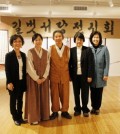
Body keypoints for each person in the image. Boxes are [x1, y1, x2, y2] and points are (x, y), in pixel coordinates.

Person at [24, 33, 50, 124]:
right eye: (36, 40)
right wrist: (36, 78)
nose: (38, 41)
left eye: (39, 39)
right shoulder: (30, 51)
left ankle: (44, 115)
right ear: (33, 41)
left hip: (44, 79)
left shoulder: (46, 52)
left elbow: (48, 65)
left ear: (42, 41)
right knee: (33, 98)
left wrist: (44, 77)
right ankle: (34, 118)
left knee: (44, 97)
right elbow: (29, 66)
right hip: (33, 79)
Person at [69, 31, 94, 117]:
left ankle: (85, 109)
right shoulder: (71, 50)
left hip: (85, 76)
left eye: (80, 39)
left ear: (83, 40)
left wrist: (90, 75)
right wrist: (70, 76)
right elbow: (69, 64)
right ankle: (77, 109)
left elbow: (91, 64)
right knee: (76, 93)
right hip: (75, 76)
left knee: (85, 93)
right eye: (77, 39)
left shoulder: (88, 50)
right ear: (75, 40)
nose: (79, 41)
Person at [49, 30, 72, 120]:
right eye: (56, 36)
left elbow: (70, 63)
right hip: (54, 75)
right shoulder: (50, 48)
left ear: (62, 37)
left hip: (65, 75)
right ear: (53, 38)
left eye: (59, 36)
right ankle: (54, 111)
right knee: (54, 94)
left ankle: (64, 111)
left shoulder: (67, 49)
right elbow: (48, 63)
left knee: (65, 94)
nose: (58, 38)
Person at [5, 34, 26, 126]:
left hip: (21, 81)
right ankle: (15, 117)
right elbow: (7, 69)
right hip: (13, 82)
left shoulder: (23, 55)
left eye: (19, 41)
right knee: (13, 100)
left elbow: (24, 69)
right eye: (15, 41)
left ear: (22, 43)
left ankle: (20, 116)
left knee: (20, 100)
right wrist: (9, 82)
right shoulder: (9, 55)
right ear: (12, 43)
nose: (17, 43)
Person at [89, 31, 110, 115]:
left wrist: (106, 74)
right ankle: (93, 107)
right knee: (92, 91)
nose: (95, 39)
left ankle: (97, 108)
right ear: (91, 39)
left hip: (101, 75)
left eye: (97, 37)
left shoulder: (104, 48)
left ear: (100, 39)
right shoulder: (89, 49)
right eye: (94, 37)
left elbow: (107, 62)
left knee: (99, 92)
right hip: (91, 75)